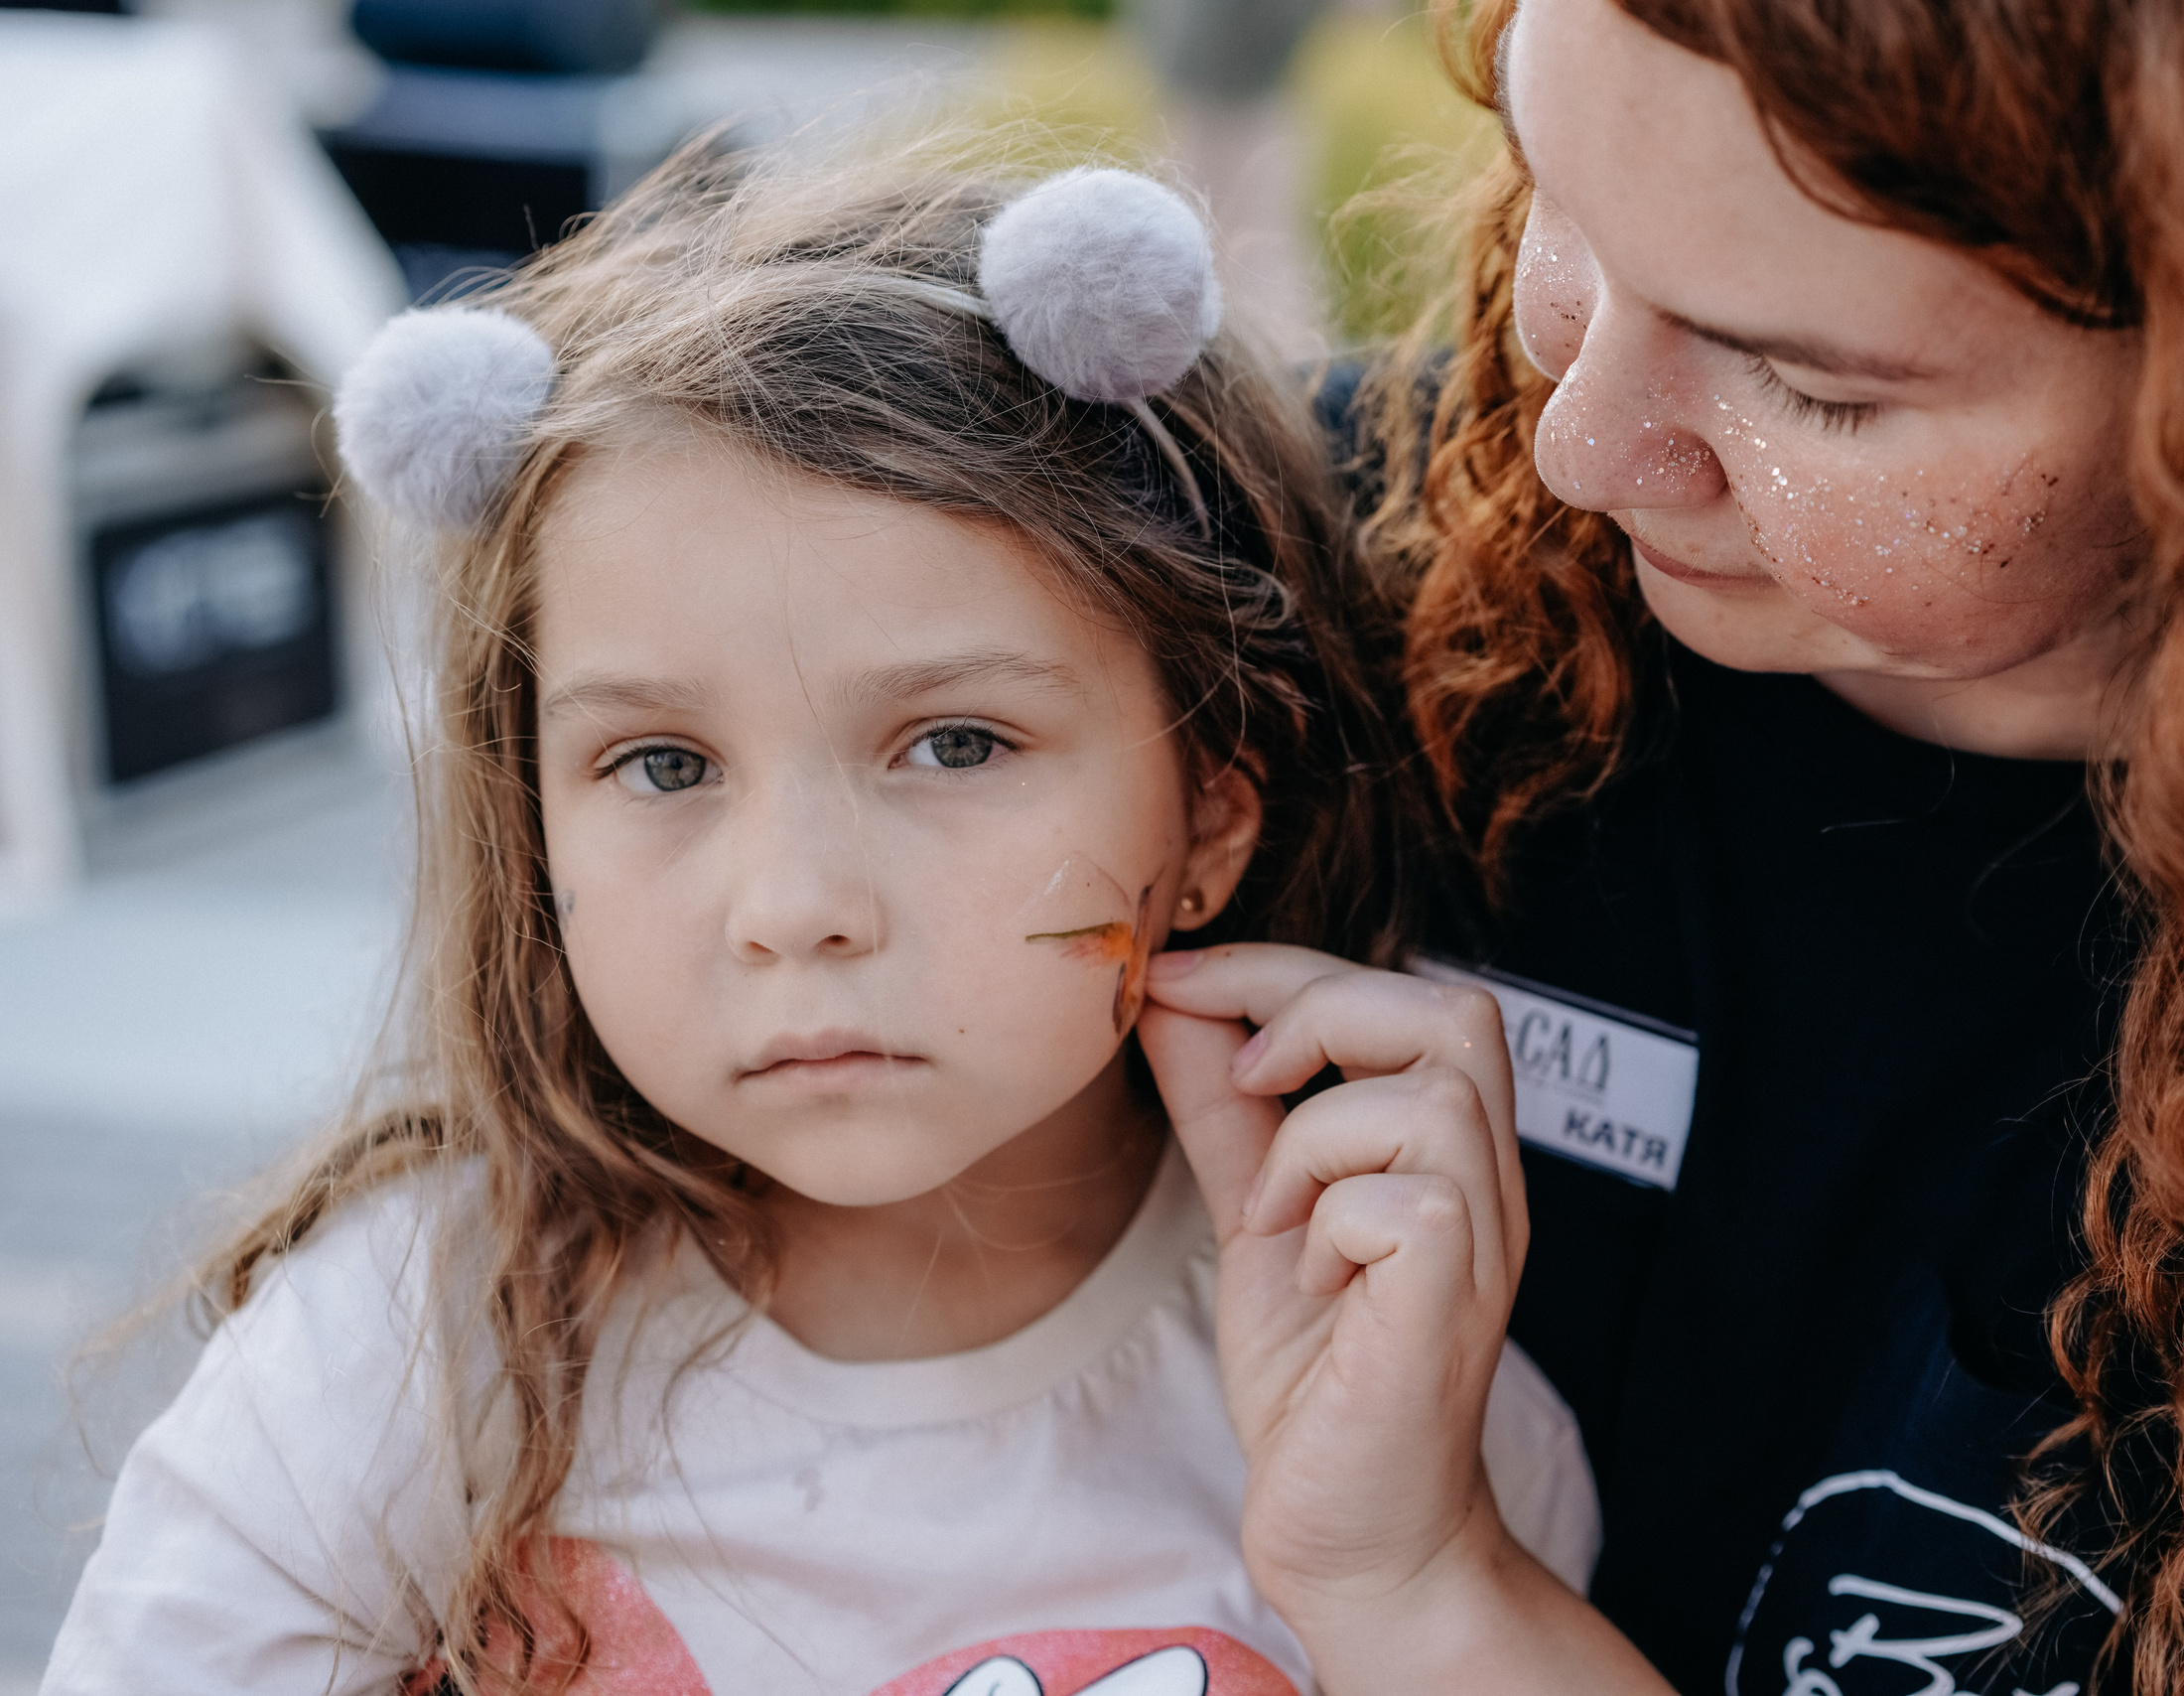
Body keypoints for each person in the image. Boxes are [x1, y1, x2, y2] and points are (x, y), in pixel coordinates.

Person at [38, 141, 1597, 1696]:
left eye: (955, 745)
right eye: (660, 764)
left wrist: (1404, 1561)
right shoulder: (406, 1356)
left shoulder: (1388, 1393)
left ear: (1212, 813)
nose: (794, 911)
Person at [1136, 0, 2184, 1691]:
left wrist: (1427, 1596)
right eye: (1559, 206)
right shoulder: (1272, 585)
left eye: (1810, 389)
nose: (1579, 443)